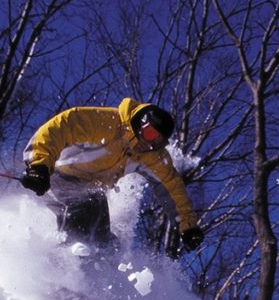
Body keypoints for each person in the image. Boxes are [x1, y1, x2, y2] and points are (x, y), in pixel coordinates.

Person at [18, 97, 203, 255]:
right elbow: (59, 128)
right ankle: (62, 266)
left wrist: (188, 226)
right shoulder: (106, 122)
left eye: (158, 142)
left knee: (104, 239)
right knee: (82, 207)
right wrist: (39, 165)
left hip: (93, 188)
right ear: (141, 124)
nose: (150, 145)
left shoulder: (152, 155)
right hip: (60, 176)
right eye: (150, 134)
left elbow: (171, 186)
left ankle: (96, 282)